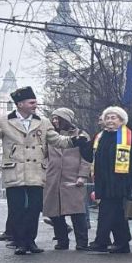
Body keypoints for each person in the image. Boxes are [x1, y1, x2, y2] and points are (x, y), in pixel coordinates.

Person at [0, 86, 84, 254]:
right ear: (20, 104)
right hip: (15, 171)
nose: (35, 105)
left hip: (36, 171)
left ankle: (30, 241)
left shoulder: (43, 122)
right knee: (17, 208)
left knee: (35, 208)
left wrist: (74, 141)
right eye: (32, 102)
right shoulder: (4, 121)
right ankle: (20, 242)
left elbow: (57, 140)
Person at [77, 107, 132, 253]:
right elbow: (89, 154)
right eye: (107, 118)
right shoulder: (100, 136)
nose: (109, 121)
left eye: (113, 118)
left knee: (107, 211)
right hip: (103, 181)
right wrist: (82, 143)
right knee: (117, 213)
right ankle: (122, 242)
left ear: (121, 120)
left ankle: (101, 241)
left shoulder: (130, 137)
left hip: (120, 181)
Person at [43, 108, 91, 251]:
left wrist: (83, 175)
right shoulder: (50, 136)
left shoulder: (81, 135)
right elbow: (44, 154)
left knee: (78, 212)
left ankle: (82, 242)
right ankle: (62, 240)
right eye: (53, 118)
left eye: (58, 118)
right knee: (55, 212)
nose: (55, 121)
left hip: (73, 178)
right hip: (53, 178)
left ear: (67, 120)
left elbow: (87, 157)